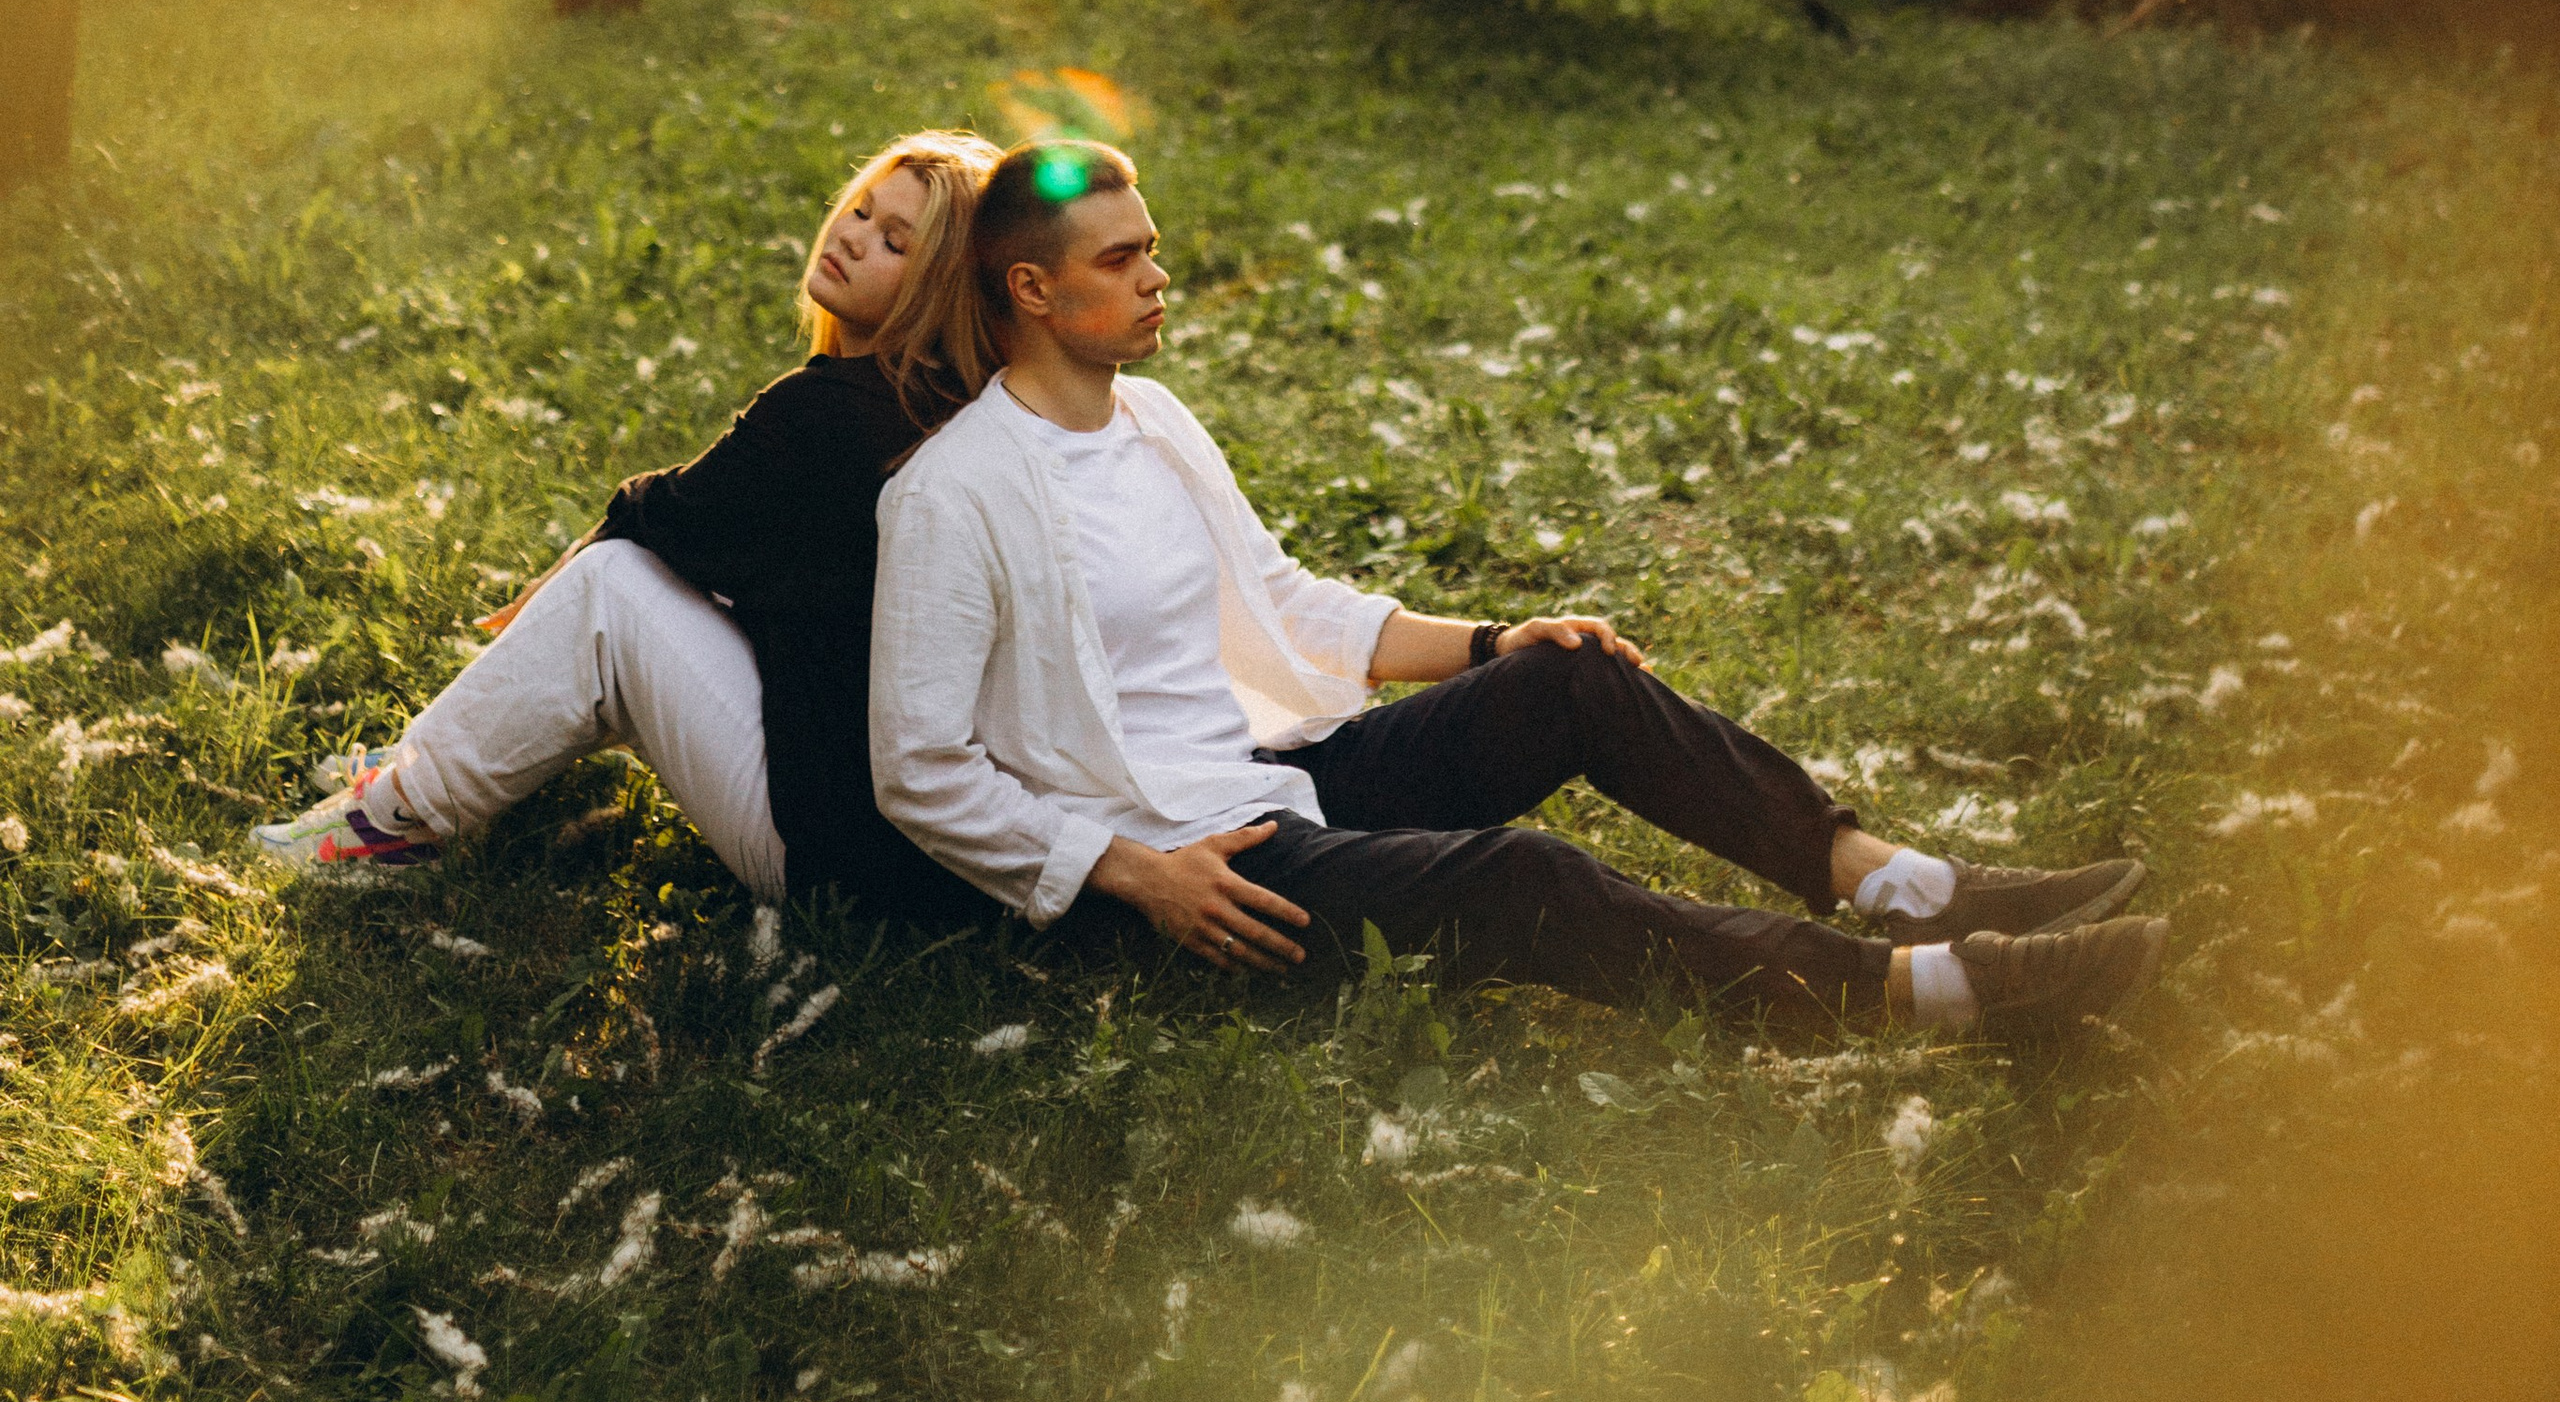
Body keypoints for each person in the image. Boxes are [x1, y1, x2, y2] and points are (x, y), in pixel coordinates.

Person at [872, 144, 2169, 1035]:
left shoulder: (1150, 423)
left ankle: (1905, 882)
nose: (1159, 278)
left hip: (1280, 787)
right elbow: (919, 768)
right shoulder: (955, 495)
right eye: (1120, 261)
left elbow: (1281, 599)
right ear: (1033, 290)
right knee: (1519, 880)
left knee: (1574, 680)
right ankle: (1926, 987)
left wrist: (1497, 640)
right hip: (1199, 888)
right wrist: (1131, 875)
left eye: (1154, 249)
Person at [256, 132, 999, 916]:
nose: (852, 234)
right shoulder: (932, 408)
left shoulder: (834, 418)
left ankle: (393, 819)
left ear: (940, 292)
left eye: (893, 242)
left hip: (833, 858)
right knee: (639, 584)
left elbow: (659, 517)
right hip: (896, 840)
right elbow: (699, 536)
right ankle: (439, 759)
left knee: (611, 590)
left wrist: (578, 564)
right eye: (859, 208)